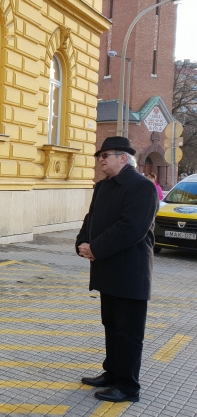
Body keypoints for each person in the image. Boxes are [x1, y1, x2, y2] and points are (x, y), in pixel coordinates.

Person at [76, 136, 158, 403]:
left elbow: (131, 228)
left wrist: (95, 248)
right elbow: (91, 219)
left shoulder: (142, 186)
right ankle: (112, 373)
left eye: (105, 155)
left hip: (130, 272)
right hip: (107, 269)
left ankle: (127, 386)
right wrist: (82, 243)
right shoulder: (103, 186)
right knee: (111, 324)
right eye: (99, 155)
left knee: (128, 331)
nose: (100, 159)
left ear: (124, 158)